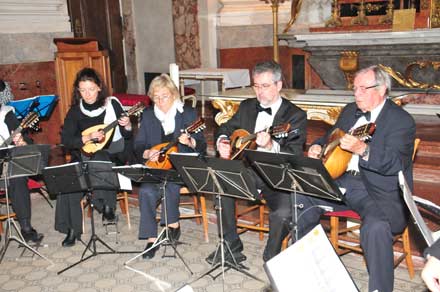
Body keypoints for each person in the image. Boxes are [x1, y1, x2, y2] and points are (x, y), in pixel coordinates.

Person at [298, 65, 415, 292]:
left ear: (381, 90)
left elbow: (396, 162)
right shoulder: (350, 110)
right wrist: (317, 146)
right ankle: (307, 272)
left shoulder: (401, 121)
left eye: (363, 89)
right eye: (354, 89)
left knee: (376, 227)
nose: (356, 94)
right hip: (341, 181)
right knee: (299, 200)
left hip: (376, 191)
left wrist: (364, 150)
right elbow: (329, 136)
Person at [212, 60, 307, 264]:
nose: (259, 92)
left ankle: (271, 255)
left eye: (265, 86)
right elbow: (225, 129)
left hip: (278, 176)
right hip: (248, 170)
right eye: (256, 86)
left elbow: (295, 155)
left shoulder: (295, 115)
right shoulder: (247, 107)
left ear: (279, 85)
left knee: (284, 213)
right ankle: (231, 246)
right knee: (221, 187)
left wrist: (271, 144)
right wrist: (222, 142)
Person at [56, 67, 133, 247]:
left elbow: (128, 136)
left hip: (113, 154)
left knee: (100, 155)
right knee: (69, 177)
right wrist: (87, 137)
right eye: (83, 90)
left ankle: (107, 206)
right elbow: (66, 140)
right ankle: (72, 229)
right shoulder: (75, 111)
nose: (87, 94)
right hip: (84, 155)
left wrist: (128, 125)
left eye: (91, 89)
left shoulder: (112, 104)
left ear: (99, 87)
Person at [134, 74, 206, 259]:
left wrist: (190, 141)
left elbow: (202, 146)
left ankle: (172, 224)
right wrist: (147, 153)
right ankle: (151, 238)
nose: (160, 101)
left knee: (170, 183)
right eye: (156, 97)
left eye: (164, 96)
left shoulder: (188, 114)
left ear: (174, 95)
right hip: (156, 166)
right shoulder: (149, 115)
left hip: (181, 166)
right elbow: (138, 145)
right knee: (146, 191)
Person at [0, 102, 43, 243]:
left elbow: (28, 143)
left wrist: (22, 142)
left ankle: (26, 228)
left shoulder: (6, 114)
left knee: (18, 177)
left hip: (6, 168)